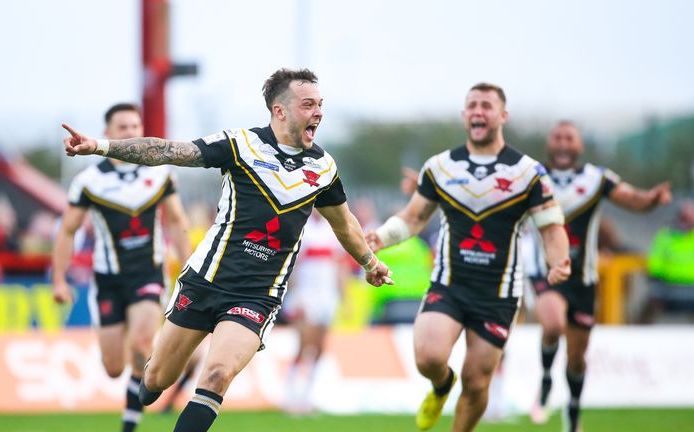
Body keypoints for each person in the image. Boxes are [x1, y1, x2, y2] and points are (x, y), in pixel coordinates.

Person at [61, 68, 393, 432]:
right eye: (308, 104)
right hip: (205, 280)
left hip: (257, 295)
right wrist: (101, 147)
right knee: (155, 381)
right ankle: (152, 377)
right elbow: (172, 151)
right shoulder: (240, 145)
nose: (318, 112)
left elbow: (343, 223)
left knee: (217, 375)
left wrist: (369, 262)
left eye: (320, 105)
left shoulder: (323, 167)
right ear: (280, 111)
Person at [366, 83, 571, 432]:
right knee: (428, 358)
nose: (478, 111)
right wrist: (380, 237)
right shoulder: (441, 166)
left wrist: (560, 261)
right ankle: (441, 385)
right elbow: (414, 217)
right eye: (472, 105)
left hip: (498, 293)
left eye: (487, 105)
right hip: (450, 283)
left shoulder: (527, 171)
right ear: (464, 115)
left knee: (477, 382)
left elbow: (551, 227)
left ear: (502, 115)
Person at [52, 103, 193, 432]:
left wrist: (188, 270)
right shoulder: (89, 181)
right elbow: (68, 231)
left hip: (148, 273)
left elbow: (177, 221)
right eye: (122, 127)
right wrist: (59, 279)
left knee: (142, 345)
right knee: (113, 367)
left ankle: (129, 425)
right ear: (108, 134)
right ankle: (137, 383)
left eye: (135, 126)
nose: (130, 133)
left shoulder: (160, 172)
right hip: (108, 280)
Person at [527, 121, 671, 431]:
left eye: (569, 138)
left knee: (577, 359)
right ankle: (546, 379)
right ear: (549, 144)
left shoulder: (596, 179)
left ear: (579, 146)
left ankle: (573, 413)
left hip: (584, 279)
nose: (563, 143)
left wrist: (652, 199)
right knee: (552, 323)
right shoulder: (532, 177)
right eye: (558, 137)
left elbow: (633, 199)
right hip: (547, 271)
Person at [282, 209, 349, 413]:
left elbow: (339, 263)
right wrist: (295, 294)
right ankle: (291, 394)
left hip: (326, 295)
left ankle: (308, 395)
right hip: (306, 294)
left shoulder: (332, 229)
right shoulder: (303, 228)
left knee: (320, 347)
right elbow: (292, 265)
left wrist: (342, 292)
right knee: (304, 345)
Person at [644, 200, 694, 322]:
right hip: (669, 288)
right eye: (685, 218)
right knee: (650, 302)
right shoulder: (665, 237)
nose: (688, 222)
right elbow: (655, 265)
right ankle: (640, 332)